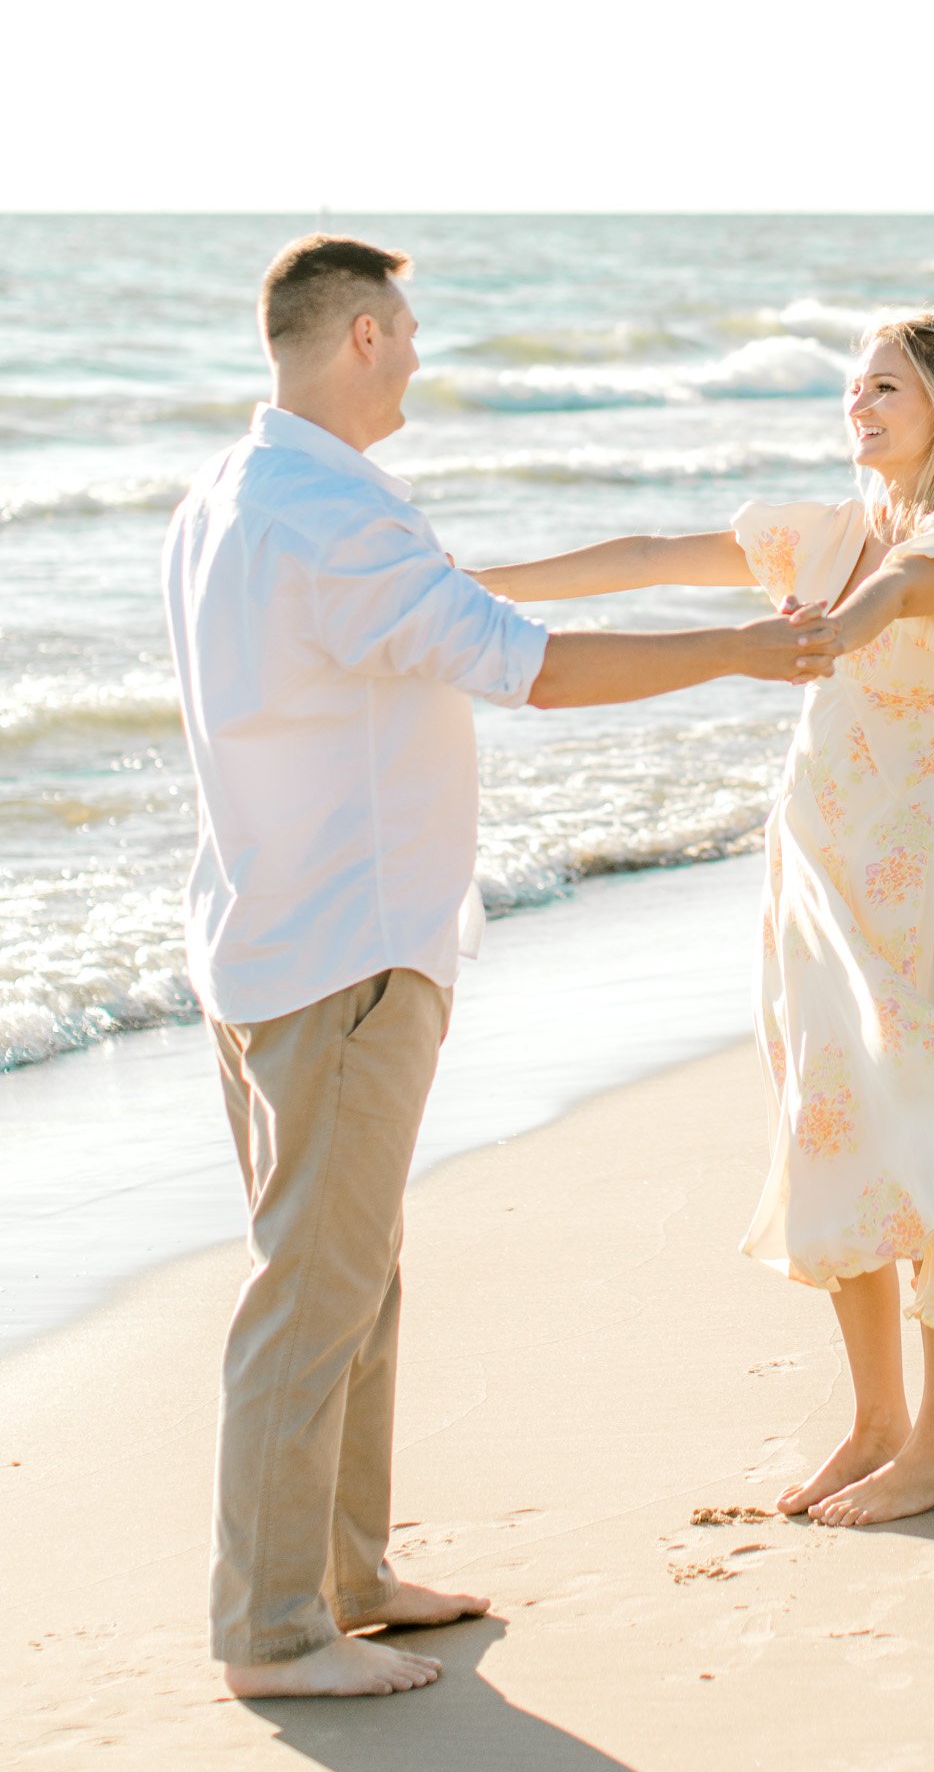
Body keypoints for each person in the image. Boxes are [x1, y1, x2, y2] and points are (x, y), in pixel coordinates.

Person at [161, 234, 841, 1700]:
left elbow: (413, 638)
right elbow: (526, 663)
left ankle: (346, 1572)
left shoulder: (239, 488)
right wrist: (736, 647)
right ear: (355, 335)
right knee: (314, 1287)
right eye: (403, 330)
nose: (417, 353)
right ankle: (272, 1632)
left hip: (269, 930)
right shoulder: (324, 515)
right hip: (341, 946)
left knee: (356, 1271)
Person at [469, 312, 934, 1530]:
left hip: (907, 871)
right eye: (853, 384)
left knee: (931, 1133)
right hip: (812, 870)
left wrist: (841, 625)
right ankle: (876, 1419)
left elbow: (904, 592)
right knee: (830, 1127)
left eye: (886, 385)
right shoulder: (831, 528)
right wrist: (473, 587)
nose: (860, 402)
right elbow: (646, 553)